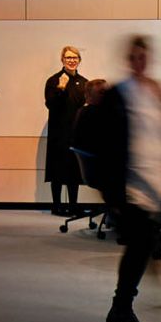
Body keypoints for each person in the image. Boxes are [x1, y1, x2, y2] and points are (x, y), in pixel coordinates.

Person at [75, 35, 161, 322]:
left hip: (159, 182)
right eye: (136, 57)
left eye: (145, 57)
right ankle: (122, 309)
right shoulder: (118, 94)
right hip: (132, 185)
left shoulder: (158, 91)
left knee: (142, 247)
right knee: (141, 245)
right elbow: (103, 143)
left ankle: (120, 309)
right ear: (129, 60)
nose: (141, 63)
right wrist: (111, 191)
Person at [42, 45, 88, 216]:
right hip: (58, 134)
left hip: (76, 134)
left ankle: (74, 205)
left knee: (74, 170)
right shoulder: (53, 81)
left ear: (79, 60)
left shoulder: (84, 82)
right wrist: (61, 88)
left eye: (75, 57)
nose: (72, 61)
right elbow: (51, 105)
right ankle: (57, 205)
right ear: (62, 60)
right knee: (57, 170)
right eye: (68, 58)